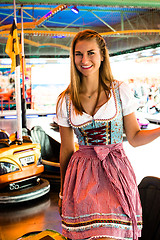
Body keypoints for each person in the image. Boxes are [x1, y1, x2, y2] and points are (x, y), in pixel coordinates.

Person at [55, 29, 160, 240]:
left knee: (113, 235)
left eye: (91, 53)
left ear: (102, 56)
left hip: (116, 173)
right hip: (81, 177)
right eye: (78, 54)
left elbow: (134, 137)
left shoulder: (119, 91)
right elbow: (66, 149)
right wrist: (62, 192)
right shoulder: (65, 100)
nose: (84, 59)